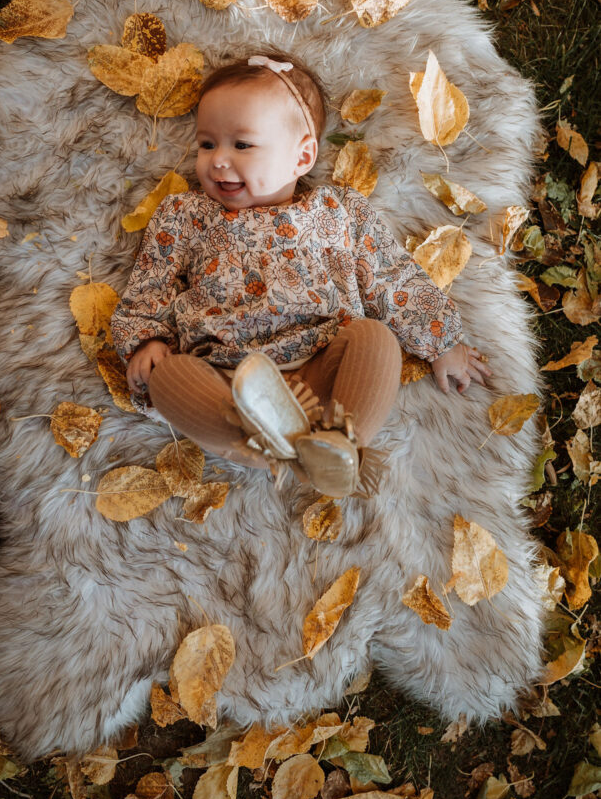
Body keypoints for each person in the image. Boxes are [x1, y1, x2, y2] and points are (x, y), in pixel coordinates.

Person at [110, 51, 491, 498]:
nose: (217, 161)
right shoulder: (186, 214)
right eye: (207, 144)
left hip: (321, 362)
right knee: (170, 376)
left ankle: (341, 444)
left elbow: (389, 275)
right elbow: (151, 279)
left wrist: (440, 341)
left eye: (242, 145)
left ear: (302, 156)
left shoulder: (337, 211)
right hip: (228, 381)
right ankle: (261, 445)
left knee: (375, 339)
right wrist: (148, 340)